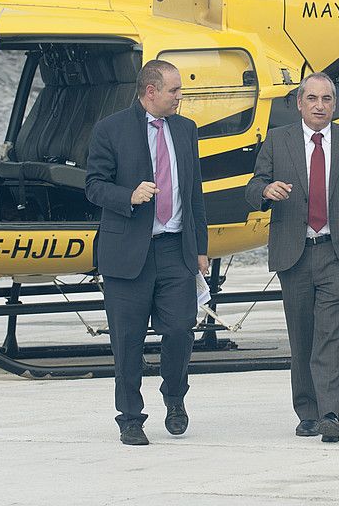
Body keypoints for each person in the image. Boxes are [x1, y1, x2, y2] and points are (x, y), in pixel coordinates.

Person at [246, 72, 339, 443]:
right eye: (312, 99)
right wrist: (266, 190)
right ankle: (307, 411)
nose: (320, 106)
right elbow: (253, 186)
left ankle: (330, 413)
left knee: (330, 335)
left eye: (326, 99)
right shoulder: (278, 140)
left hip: (337, 255)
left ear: (334, 104)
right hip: (294, 254)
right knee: (302, 337)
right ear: (299, 103)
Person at [85, 59, 209, 446]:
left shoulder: (186, 130)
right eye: (174, 91)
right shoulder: (110, 129)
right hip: (127, 254)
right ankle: (130, 418)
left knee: (179, 330)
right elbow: (93, 186)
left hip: (175, 250)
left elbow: (194, 194)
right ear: (151, 91)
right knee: (128, 340)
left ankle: (174, 397)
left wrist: (201, 249)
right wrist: (129, 196)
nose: (180, 98)